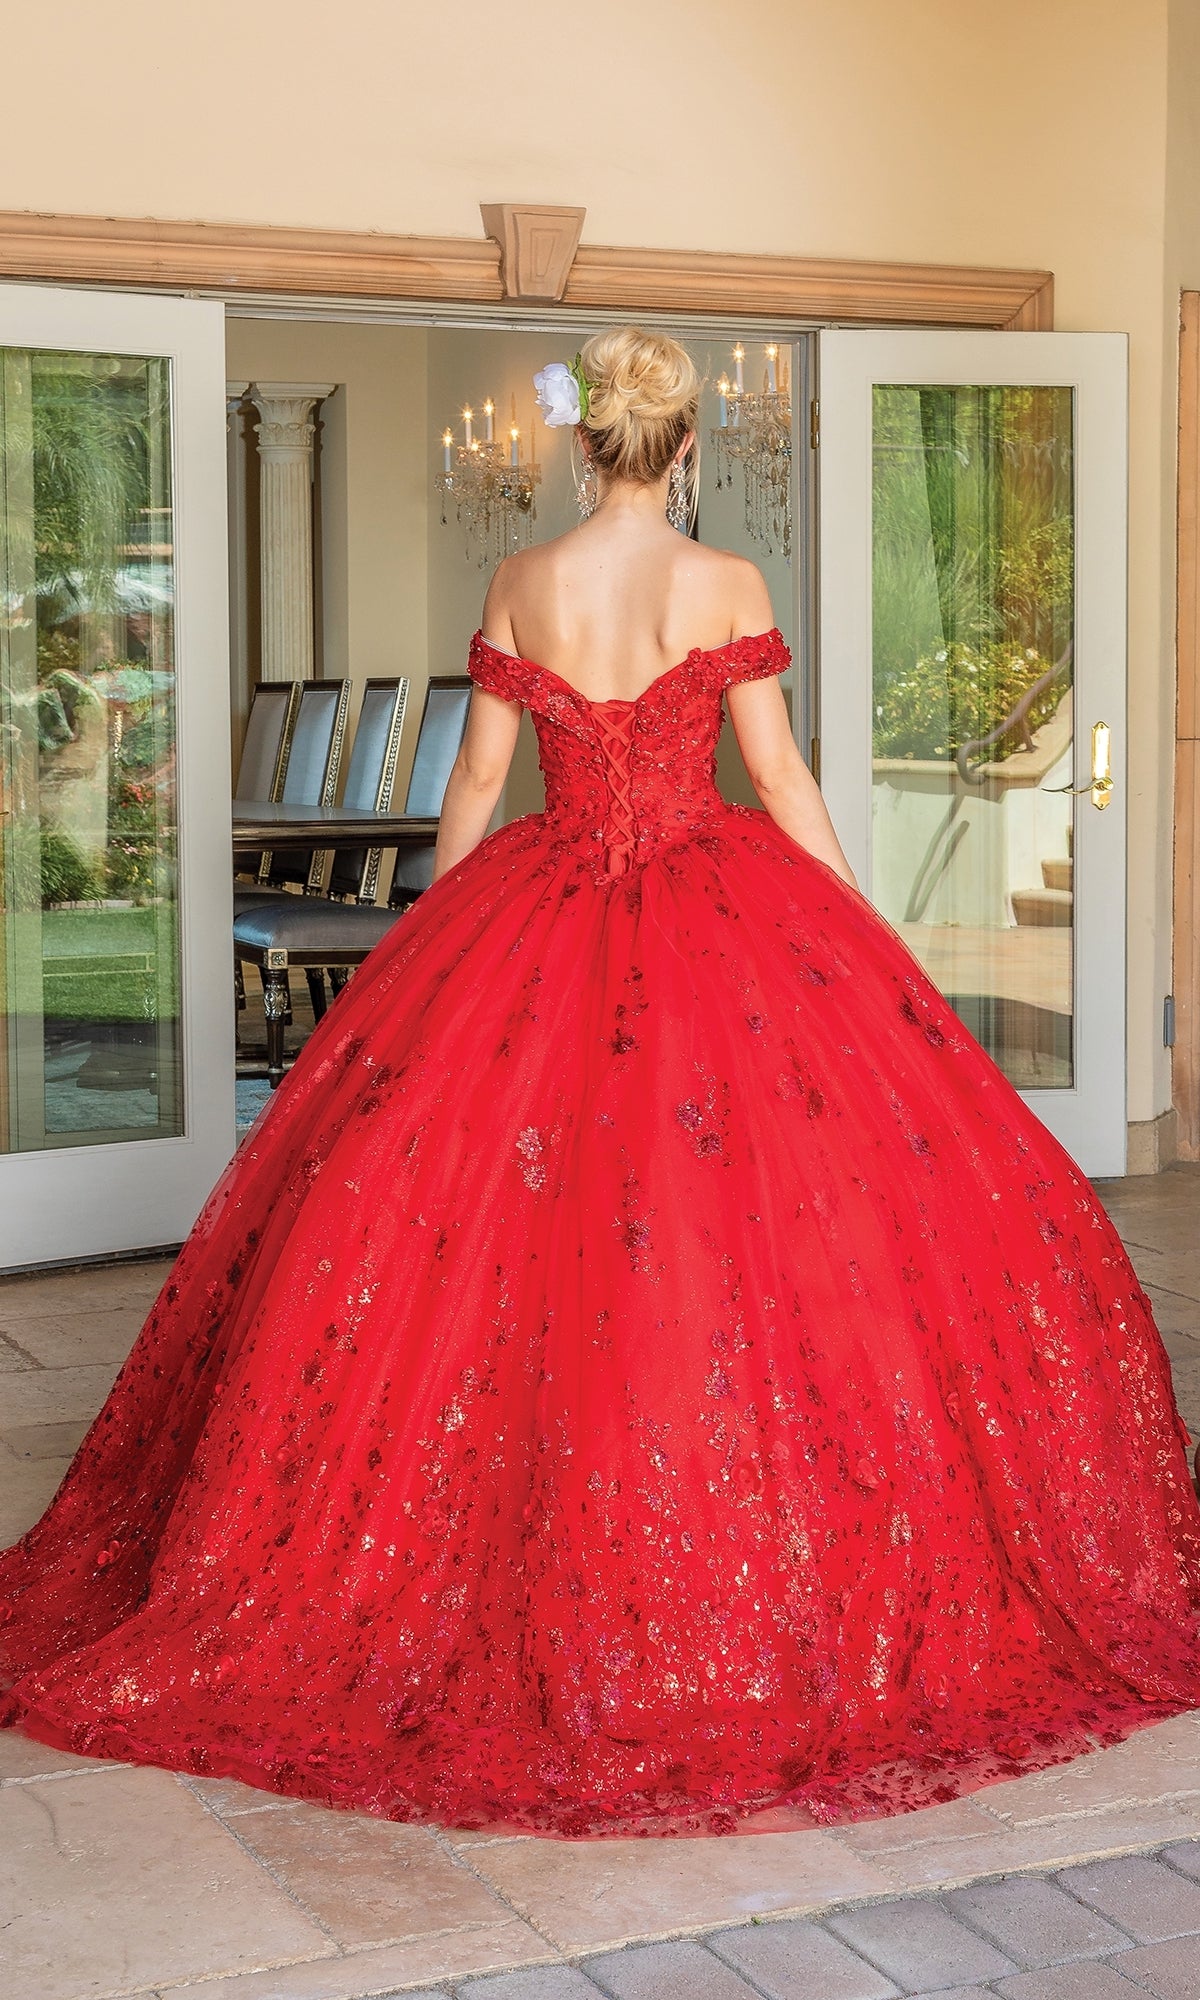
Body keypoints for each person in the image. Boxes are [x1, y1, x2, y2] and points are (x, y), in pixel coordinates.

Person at [1, 328, 1197, 1842]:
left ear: (585, 447)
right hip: (720, 908)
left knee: (504, 1241)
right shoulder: (727, 588)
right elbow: (783, 782)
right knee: (741, 1231)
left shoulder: (522, 582)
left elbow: (483, 788)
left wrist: (429, 955)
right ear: (686, 445)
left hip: (543, 909)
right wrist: (862, 942)